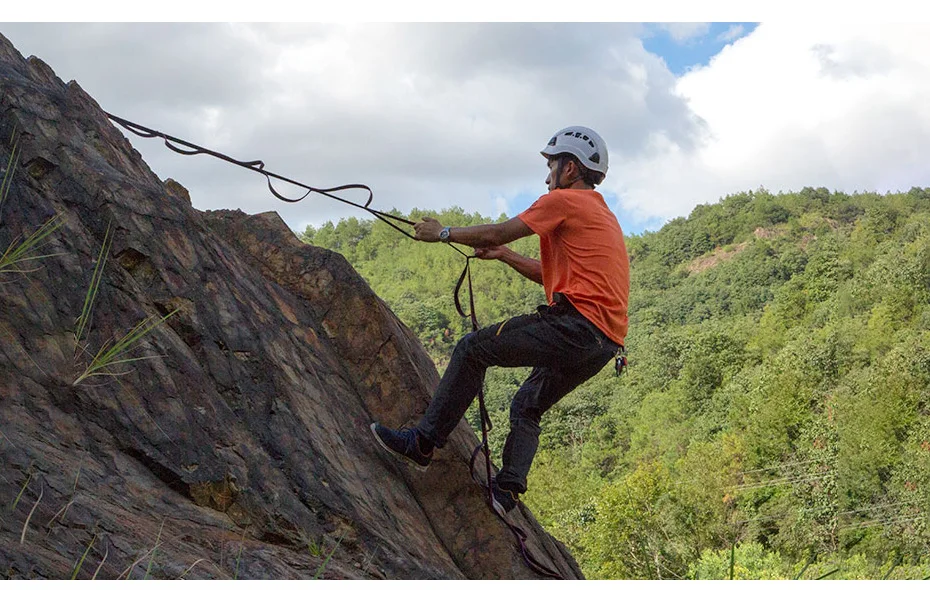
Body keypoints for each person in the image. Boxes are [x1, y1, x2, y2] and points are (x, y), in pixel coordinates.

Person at [370, 126, 630, 517]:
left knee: (472, 350)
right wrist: (505, 256)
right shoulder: (600, 214)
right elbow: (550, 274)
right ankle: (507, 493)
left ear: (571, 168)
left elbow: (499, 229)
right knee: (527, 404)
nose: (547, 177)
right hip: (602, 344)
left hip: (575, 326)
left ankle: (422, 444)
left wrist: (442, 233)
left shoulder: (565, 201)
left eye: (551, 165)